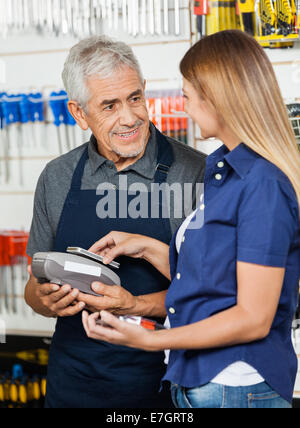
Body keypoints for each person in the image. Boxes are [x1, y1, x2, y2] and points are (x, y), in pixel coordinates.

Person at [82, 30, 300, 409]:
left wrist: (150, 339)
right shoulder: (225, 174)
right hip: (198, 382)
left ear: (217, 100)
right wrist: (145, 246)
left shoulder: (263, 184)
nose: (184, 108)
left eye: (187, 97)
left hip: (237, 387)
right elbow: (214, 281)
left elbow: (253, 318)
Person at [25, 36, 206, 408]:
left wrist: (134, 305)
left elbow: (211, 294)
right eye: (109, 105)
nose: (130, 117)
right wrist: (45, 300)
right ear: (78, 113)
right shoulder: (57, 178)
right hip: (72, 383)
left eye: (135, 98)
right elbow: (33, 288)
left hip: (162, 383)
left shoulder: (193, 173)